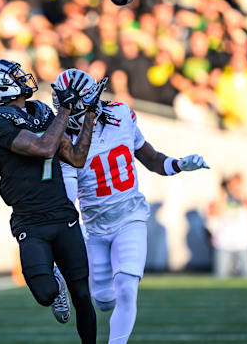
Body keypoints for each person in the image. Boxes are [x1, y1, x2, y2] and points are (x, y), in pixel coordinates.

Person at [56, 70, 210, 344]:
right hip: (95, 228)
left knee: (127, 287)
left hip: (131, 217)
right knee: (102, 300)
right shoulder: (63, 142)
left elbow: (149, 157)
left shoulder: (121, 116)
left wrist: (177, 164)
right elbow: (66, 201)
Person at [0, 60, 104, 344]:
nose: (23, 78)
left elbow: (76, 158)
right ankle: (54, 280)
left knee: (82, 295)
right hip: (30, 219)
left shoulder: (40, 111)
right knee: (45, 294)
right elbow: (43, 148)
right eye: (14, 76)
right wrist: (65, 110)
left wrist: (90, 114)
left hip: (63, 214)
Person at [207, 174, 247, 279]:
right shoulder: (221, 199)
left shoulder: (246, 198)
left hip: (243, 243)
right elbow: (215, 212)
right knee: (221, 276)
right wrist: (224, 194)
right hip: (224, 243)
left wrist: (236, 194)